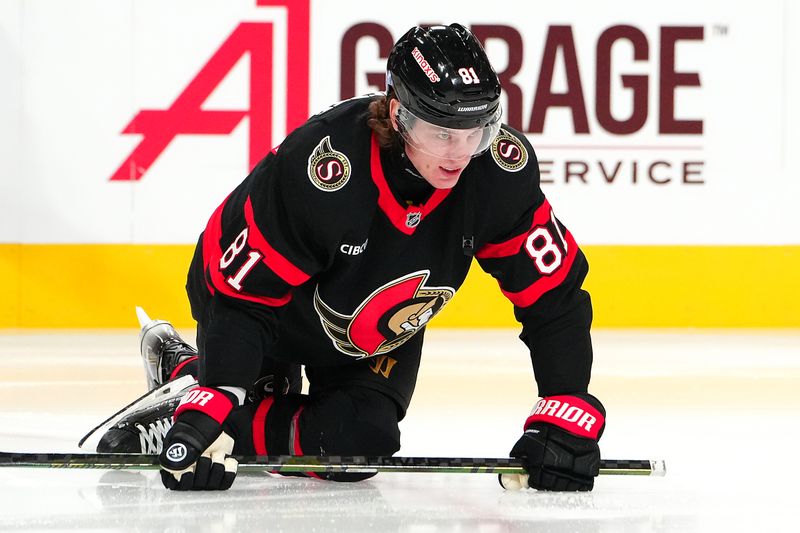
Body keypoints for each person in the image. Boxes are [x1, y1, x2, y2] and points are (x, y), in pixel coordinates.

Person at [93, 23, 606, 492]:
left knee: (357, 444)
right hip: (263, 308)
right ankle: (205, 386)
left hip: (373, 329)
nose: (459, 153)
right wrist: (221, 394)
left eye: (477, 132)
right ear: (399, 115)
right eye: (441, 132)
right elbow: (243, 300)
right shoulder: (325, 170)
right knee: (241, 393)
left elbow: (554, 296)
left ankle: (187, 386)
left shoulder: (496, 173)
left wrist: (566, 405)